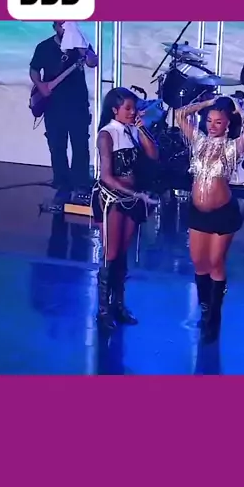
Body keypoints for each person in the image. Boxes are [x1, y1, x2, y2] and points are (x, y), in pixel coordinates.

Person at [176, 95, 244, 341]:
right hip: (197, 212)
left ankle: (214, 317)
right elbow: (180, 114)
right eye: (209, 121)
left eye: (218, 122)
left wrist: (238, 109)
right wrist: (206, 104)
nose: (212, 125)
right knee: (199, 262)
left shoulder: (233, 147)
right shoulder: (199, 141)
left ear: (227, 124)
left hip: (222, 213)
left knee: (215, 262)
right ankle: (205, 309)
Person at [92, 88, 159, 330]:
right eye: (128, 109)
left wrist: (142, 129)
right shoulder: (106, 134)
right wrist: (136, 194)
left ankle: (118, 305)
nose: (133, 113)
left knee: (122, 254)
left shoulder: (131, 131)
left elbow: (153, 155)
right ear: (114, 110)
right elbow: (107, 177)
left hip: (131, 198)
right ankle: (103, 310)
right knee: (110, 254)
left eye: (134, 108)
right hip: (112, 199)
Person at [29, 21, 97, 202]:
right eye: (61, 25)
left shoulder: (80, 44)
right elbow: (34, 70)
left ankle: (81, 183)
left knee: (80, 145)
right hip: (53, 105)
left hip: (78, 104)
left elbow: (93, 62)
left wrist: (82, 48)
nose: (65, 28)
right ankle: (62, 184)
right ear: (55, 27)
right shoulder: (44, 47)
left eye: (69, 24)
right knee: (57, 146)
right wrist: (40, 86)